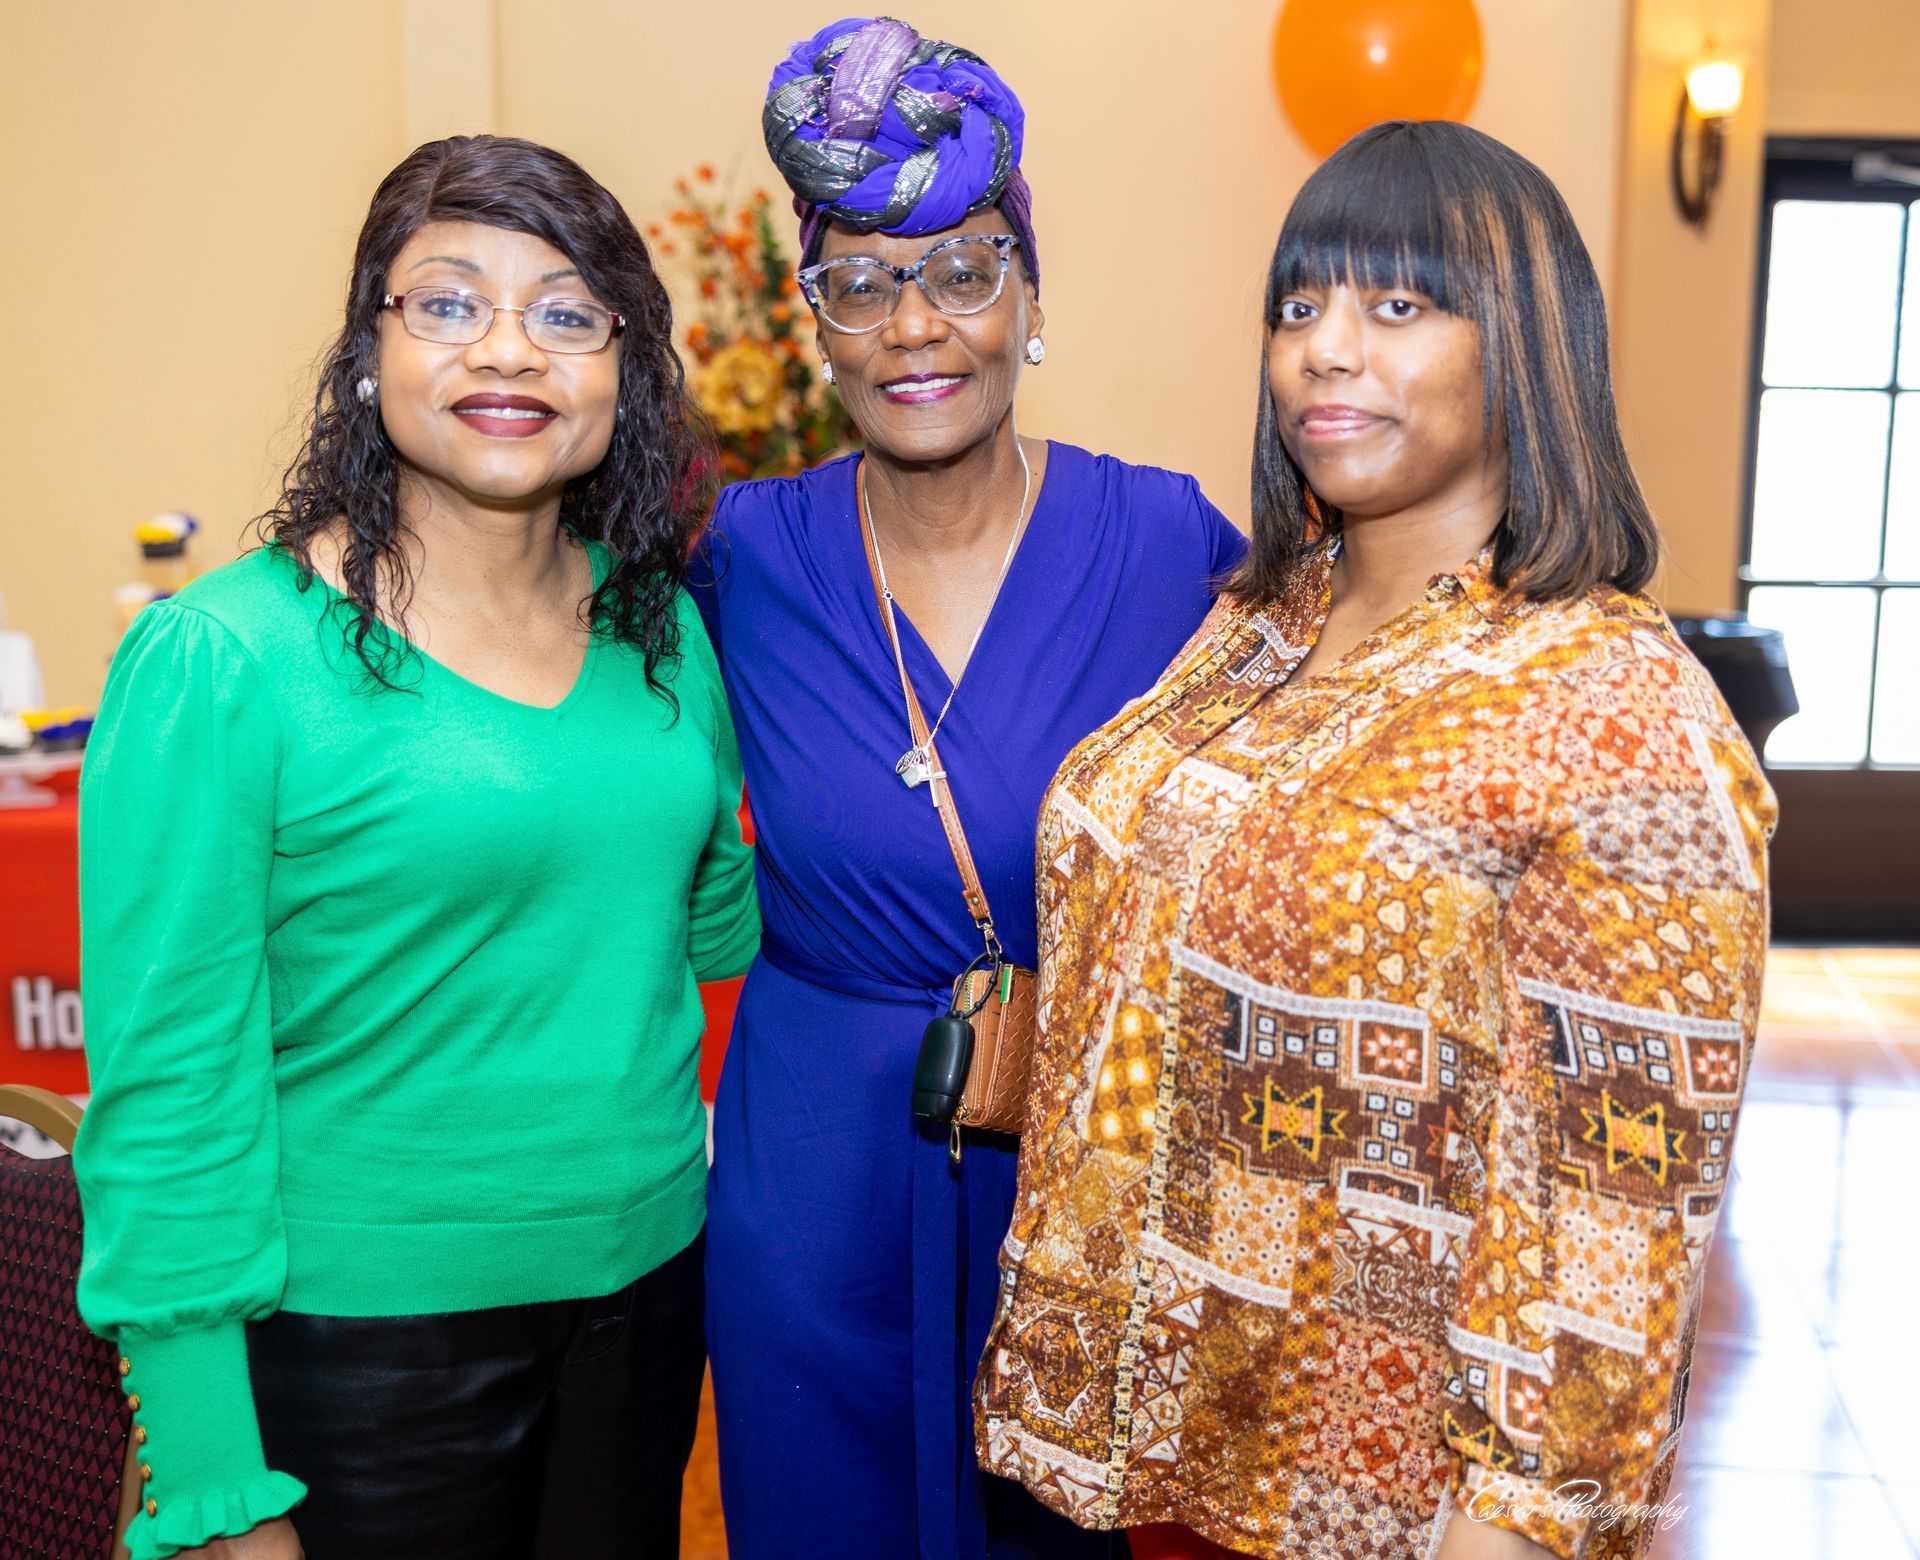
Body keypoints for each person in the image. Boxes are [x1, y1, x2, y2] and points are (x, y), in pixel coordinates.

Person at [977, 121, 1776, 1560]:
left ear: (1525, 344)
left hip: (1371, 1505)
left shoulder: (1617, 708)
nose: (1324, 352)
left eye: (1396, 306)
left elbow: (1617, 1225)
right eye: (1299, 306)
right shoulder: (1251, 628)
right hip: (1127, 1459)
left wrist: (1514, 1530)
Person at [74, 135, 757, 1560]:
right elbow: (167, 1092)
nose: (508, 350)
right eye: (446, 302)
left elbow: (710, 929)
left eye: (568, 313)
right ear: (366, 349)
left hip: (648, 1303)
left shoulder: (663, 629)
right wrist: (208, 1476)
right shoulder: (225, 657)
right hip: (361, 1350)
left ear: (624, 369)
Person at [693, 17, 1245, 1558]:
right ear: (816, 323)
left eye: (964, 269)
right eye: (862, 283)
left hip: (1076, 1158)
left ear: (1033, 298)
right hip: (814, 1167)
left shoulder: (1168, 550)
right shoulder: (747, 561)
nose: (915, 325)